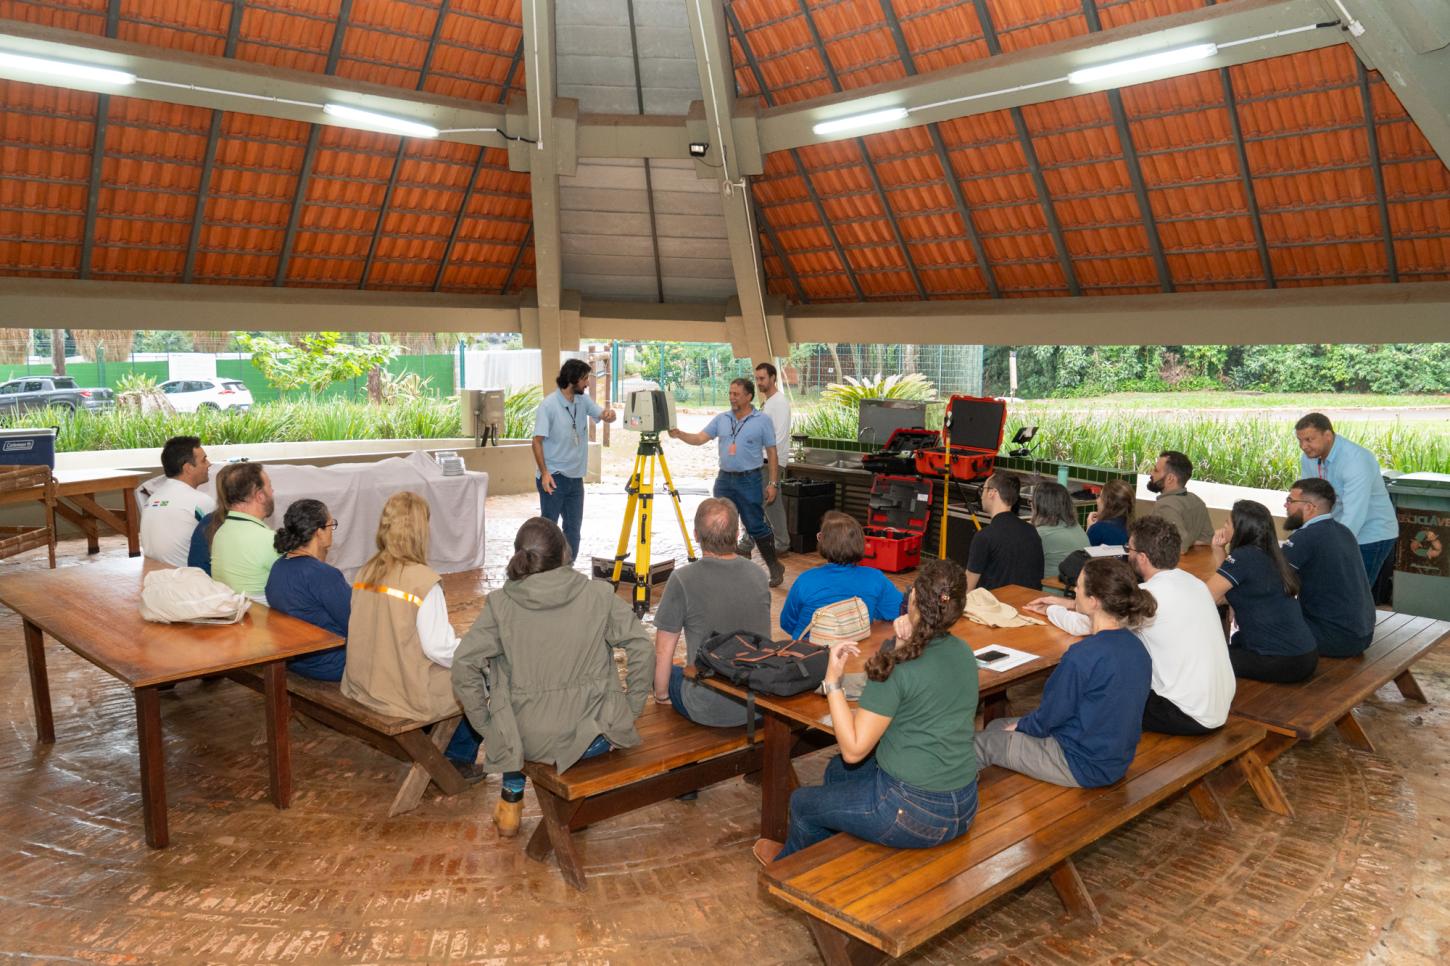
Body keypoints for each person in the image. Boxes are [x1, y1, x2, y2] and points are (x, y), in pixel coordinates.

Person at [757, 560, 978, 865]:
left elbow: (853, 750)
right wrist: (902, 641)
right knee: (836, 772)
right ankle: (836, 847)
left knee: (803, 803)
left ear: (913, 597)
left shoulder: (895, 666)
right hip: (964, 803)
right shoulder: (964, 652)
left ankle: (787, 867)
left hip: (913, 814)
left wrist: (833, 682)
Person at [453, 518, 653, 838]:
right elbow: (641, 645)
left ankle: (511, 800)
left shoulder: (500, 605)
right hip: (594, 738)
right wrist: (631, 708)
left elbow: (464, 665)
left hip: (526, 741)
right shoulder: (598, 595)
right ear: (564, 553)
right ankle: (575, 811)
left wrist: (488, 728)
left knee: (506, 687)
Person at [1026, 516, 1235, 736]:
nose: (1128, 554)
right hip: (1218, 704)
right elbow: (1108, 608)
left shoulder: (1150, 597)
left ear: (1142, 558)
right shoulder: (1195, 583)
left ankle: (1058, 739)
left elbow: (1083, 625)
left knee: (1095, 688)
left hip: (1183, 712)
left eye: (1130, 549)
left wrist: (1051, 610)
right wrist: (1069, 603)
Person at [975, 557, 1154, 787]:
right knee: (996, 727)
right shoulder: (1137, 648)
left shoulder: (1083, 655)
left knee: (981, 743)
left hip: (1079, 763)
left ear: (1093, 601)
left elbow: (1050, 716)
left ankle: (956, 799)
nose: (1075, 591)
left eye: (1078, 586)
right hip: (1114, 757)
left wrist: (1023, 726)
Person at [342, 491, 482, 781]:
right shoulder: (424, 581)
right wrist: (475, 653)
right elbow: (438, 648)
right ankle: (457, 758)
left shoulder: (365, 571)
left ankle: (436, 744)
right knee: (484, 678)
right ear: (421, 530)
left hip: (364, 682)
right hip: (403, 692)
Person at [652, 498, 770, 727]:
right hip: (759, 703)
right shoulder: (758, 574)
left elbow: (662, 651)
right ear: (737, 534)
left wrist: (662, 696)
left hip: (708, 708)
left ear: (696, 535)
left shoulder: (682, 579)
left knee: (657, 667)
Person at [668, 377, 785, 587]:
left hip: (750, 480)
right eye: (730, 393)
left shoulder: (762, 420)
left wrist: (773, 483)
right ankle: (725, 570)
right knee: (720, 525)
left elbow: (772, 453)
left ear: (748, 396)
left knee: (755, 525)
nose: (732, 398)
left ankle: (774, 566)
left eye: (736, 394)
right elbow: (700, 438)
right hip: (724, 480)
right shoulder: (721, 419)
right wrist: (680, 434)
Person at [1206, 500, 1318, 683]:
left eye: (1227, 523)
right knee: (1234, 643)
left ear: (1241, 529)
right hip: (1305, 655)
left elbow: (1205, 597)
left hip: (1282, 661)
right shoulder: (1271, 554)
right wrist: (1219, 550)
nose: (1223, 527)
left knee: (1203, 656)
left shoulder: (1243, 557)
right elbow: (1227, 591)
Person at [1294, 412, 1398, 583]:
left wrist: (1329, 549)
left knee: (1355, 592)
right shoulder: (1308, 458)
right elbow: (1309, 500)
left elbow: (1354, 514)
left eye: (1309, 439)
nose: (1303, 446)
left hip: (1371, 534)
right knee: (1333, 589)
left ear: (1328, 436)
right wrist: (1302, 536)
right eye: (1300, 440)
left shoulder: (1356, 460)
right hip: (1337, 531)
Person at [532, 358, 616, 561]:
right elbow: (536, 441)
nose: (587, 383)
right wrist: (545, 473)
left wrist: (609, 415)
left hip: (576, 478)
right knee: (549, 530)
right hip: (554, 478)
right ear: (573, 379)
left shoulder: (582, 401)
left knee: (573, 530)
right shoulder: (548, 406)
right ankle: (544, 570)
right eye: (585, 379)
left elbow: (601, 414)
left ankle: (567, 568)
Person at [1282, 478, 1376, 657]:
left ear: (1309, 507)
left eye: (1290, 500)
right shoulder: (1343, 531)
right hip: (1362, 634)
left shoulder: (1305, 537)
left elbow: (1269, 578)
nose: (1285, 505)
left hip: (1335, 638)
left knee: (1261, 625)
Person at [779, 511, 903, 640]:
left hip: (809, 649)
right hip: (854, 648)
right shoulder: (875, 578)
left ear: (823, 543)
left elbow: (787, 624)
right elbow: (898, 611)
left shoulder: (806, 580)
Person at [264, 499, 349, 682]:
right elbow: (354, 623)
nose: (332, 531)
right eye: (330, 525)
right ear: (319, 532)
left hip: (295, 660)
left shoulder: (278, 566)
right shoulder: (323, 575)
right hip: (331, 664)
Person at [737, 362, 792, 559]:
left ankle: (747, 545)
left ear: (773, 378)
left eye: (762, 378)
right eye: (757, 378)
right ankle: (780, 544)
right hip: (762, 461)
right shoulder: (769, 402)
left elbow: (778, 437)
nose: (759, 382)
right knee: (770, 506)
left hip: (769, 463)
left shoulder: (779, 403)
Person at [207, 462, 279, 604]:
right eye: (270, 486)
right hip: (265, 616)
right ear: (260, 496)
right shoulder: (268, 539)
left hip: (235, 612)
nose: (273, 491)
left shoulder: (220, 533)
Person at [140, 435, 216, 568]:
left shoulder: (153, 498)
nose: (209, 464)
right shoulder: (201, 501)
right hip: (186, 576)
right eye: (204, 460)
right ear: (188, 468)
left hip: (154, 574)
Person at [965, 472, 1043, 592]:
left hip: (995, 603)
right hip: (1028, 602)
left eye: (983, 489)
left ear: (992, 493)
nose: (981, 496)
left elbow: (967, 587)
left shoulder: (984, 537)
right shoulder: (1031, 531)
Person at [1146, 450, 1213, 552]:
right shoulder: (1197, 500)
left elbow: (1181, 545)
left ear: (1170, 478)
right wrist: (1191, 542)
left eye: (1156, 470)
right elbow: (1207, 539)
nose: (1151, 473)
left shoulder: (1165, 506)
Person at [1030, 480, 1089, 585]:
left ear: (1039, 506)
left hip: (1049, 591)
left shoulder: (1040, 534)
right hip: (1075, 590)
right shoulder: (1077, 527)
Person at [1086, 478, 1134, 547]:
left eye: (1100, 496)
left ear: (1108, 503)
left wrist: (1090, 528)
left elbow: (1085, 551)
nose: (1097, 500)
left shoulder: (1097, 530)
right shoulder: (1133, 529)